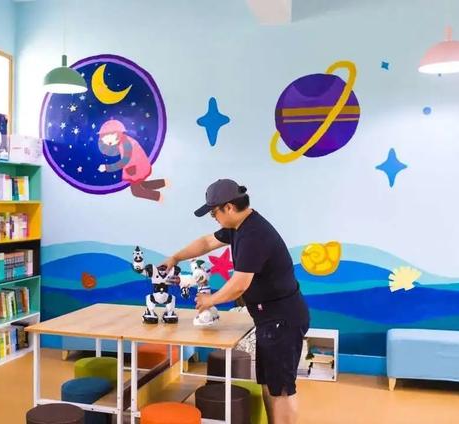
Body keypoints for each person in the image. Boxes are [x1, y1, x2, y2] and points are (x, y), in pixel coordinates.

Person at [162, 178, 310, 424]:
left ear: (229, 207)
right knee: (270, 384)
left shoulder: (254, 234)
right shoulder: (239, 226)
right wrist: (175, 258)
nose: (214, 218)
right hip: (269, 319)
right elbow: (207, 242)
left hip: (282, 319)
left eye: (214, 213)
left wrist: (210, 300)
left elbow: (240, 284)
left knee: (282, 389)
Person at [96, 119, 167, 202]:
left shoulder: (126, 144)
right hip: (136, 167)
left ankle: (158, 196)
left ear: (114, 134)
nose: (107, 143)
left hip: (136, 168)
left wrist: (107, 168)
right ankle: (164, 183)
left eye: (108, 141)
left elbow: (124, 161)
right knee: (141, 184)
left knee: (136, 191)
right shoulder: (123, 141)